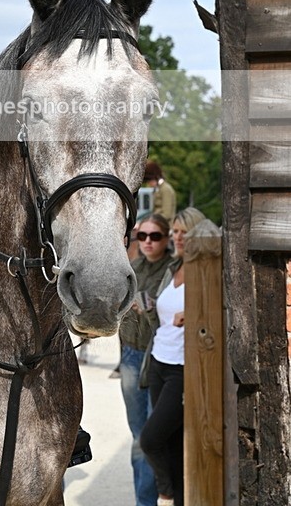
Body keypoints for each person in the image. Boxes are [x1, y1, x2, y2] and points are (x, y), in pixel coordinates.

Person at [139, 207, 206, 506]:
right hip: (158, 362)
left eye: (184, 232)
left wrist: (194, 314)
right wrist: (150, 308)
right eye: (176, 232)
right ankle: (178, 498)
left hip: (182, 368)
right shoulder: (173, 268)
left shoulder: (206, 271)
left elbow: (219, 312)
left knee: (150, 439)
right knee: (170, 443)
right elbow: (164, 320)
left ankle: (165, 495)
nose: (178, 237)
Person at [119, 213, 172, 506]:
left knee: (153, 438)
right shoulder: (131, 270)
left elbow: (172, 325)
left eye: (155, 236)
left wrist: (149, 310)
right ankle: (144, 502)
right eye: (143, 236)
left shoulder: (174, 271)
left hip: (158, 360)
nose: (148, 242)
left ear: (166, 239)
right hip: (130, 355)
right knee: (139, 438)